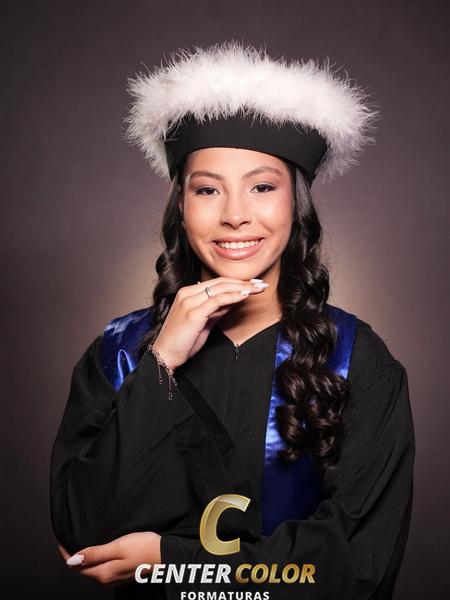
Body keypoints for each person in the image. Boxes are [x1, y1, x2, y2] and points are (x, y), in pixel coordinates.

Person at [50, 41, 415, 599]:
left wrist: (176, 564)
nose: (235, 214)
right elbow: (83, 532)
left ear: (296, 205)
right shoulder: (119, 353)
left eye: (262, 187)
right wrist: (161, 362)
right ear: (181, 206)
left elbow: (358, 564)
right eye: (207, 189)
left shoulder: (356, 359)